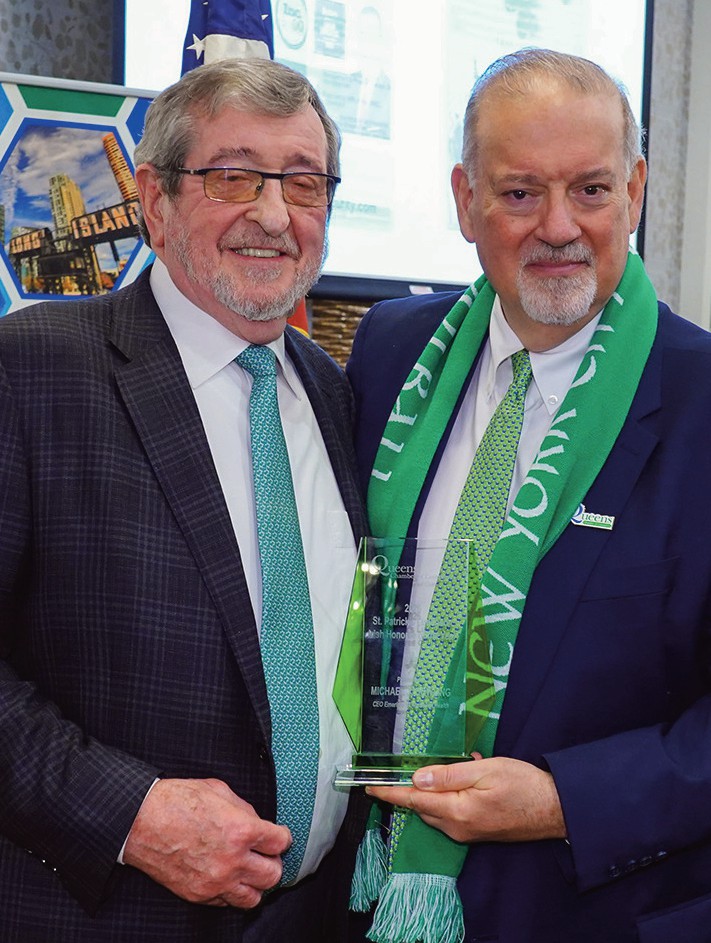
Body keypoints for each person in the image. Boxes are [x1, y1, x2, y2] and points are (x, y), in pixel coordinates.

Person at [346, 48, 711, 943]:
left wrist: (561, 800)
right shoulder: (389, 353)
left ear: (634, 190)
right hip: (363, 893)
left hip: (591, 911)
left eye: (590, 190)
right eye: (519, 193)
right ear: (464, 198)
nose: (558, 226)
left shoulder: (700, 400)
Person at [0, 58, 366, 942]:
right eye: (233, 176)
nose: (273, 215)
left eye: (303, 182)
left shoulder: (335, 394)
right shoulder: (33, 368)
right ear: (155, 200)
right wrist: (129, 812)